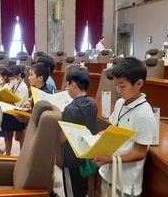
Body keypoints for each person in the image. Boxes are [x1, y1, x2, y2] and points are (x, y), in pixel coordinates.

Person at [93, 57, 156, 197]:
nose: (118, 90)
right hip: (108, 173)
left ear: (139, 83)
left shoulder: (144, 114)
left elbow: (140, 152)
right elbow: (115, 128)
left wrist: (109, 159)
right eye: (116, 85)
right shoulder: (121, 103)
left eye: (122, 86)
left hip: (126, 183)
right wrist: (102, 135)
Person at [59, 67, 97, 197]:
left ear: (73, 84)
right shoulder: (93, 104)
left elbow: (62, 138)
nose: (66, 87)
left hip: (71, 159)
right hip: (86, 154)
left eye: (67, 84)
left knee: (71, 191)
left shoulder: (69, 110)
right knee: (82, 189)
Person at [1, 65, 29, 155]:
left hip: (18, 113)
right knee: (8, 134)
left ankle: (22, 155)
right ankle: (8, 154)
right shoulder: (8, 85)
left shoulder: (23, 87)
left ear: (19, 76)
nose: (11, 80)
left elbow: (19, 102)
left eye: (13, 78)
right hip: (7, 112)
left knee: (20, 134)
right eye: (10, 78)